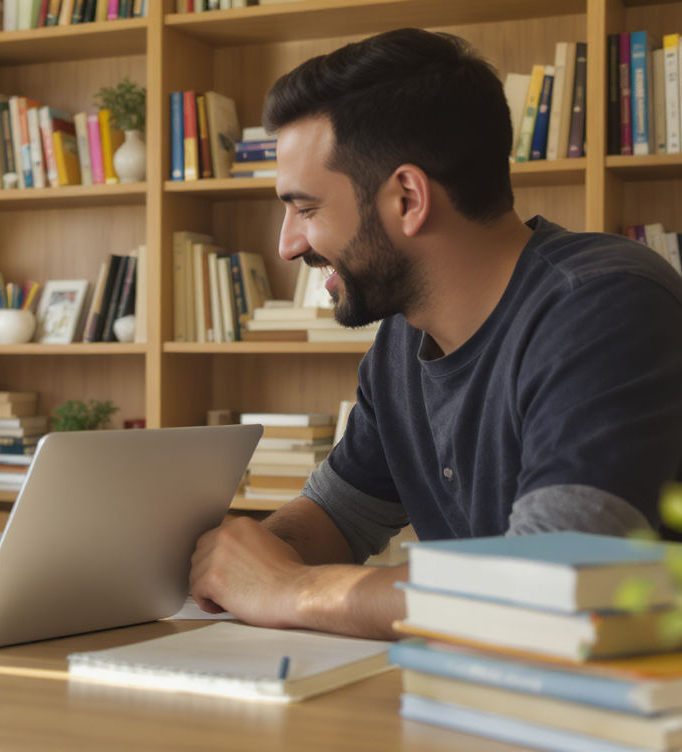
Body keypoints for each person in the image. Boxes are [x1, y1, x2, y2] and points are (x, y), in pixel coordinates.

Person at [189, 29, 682, 640]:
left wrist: (291, 588)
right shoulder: (401, 344)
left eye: (307, 209)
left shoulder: (604, 306)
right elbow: (340, 513)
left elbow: (552, 590)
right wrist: (235, 560)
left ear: (407, 198)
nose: (287, 245)